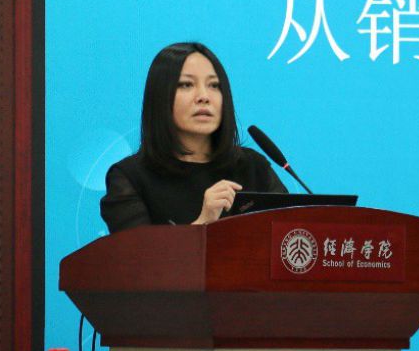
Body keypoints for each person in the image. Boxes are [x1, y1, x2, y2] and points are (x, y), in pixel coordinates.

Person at [100, 42, 287, 233]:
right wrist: (203, 222)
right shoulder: (130, 178)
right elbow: (137, 251)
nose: (204, 96)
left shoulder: (252, 166)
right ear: (160, 96)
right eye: (186, 84)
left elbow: (289, 234)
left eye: (214, 85)